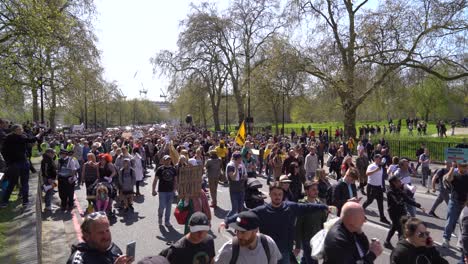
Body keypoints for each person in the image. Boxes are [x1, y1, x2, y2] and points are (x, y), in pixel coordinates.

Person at [221, 182, 332, 264]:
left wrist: (324, 206)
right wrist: (227, 221)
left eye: (280, 194)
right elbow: (244, 216)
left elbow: (308, 207)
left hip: (285, 251)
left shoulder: (291, 207)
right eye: (274, 194)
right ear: (270, 194)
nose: (277, 197)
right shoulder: (262, 211)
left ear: (283, 195)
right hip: (267, 250)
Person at [215, 211, 282, 264]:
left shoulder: (268, 243)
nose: (238, 235)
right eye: (237, 231)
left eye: (243, 232)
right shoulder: (229, 249)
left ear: (256, 230)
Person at [1, 124, 43, 207]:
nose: (21, 131)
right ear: (14, 130)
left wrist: (8, 162)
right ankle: (25, 201)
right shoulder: (20, 137)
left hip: (14, 163)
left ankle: (5, 202)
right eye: (19, 129)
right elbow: (32, 139)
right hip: (20, 163)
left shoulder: (7, 138)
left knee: (12, 183)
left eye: (21, 129)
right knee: (24, 183)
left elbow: (3, 151)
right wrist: (40, 133)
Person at [67, 211, 133, 264]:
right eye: (100, 232)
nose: (106, 236)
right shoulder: (79, 260)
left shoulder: (114, 249)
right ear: (87, 235)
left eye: (107, 230)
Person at [384, 176, 425, 250]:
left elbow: (408, 200)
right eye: (398, 181)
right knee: (401, 230)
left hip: (401, 212)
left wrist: (419, 206)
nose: (400, 182)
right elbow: (396, 201)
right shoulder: (390, 192)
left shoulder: (399, 190)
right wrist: (402, 198)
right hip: (394, 214)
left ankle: (386, 242)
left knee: (394, 227)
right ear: (394, 183)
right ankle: (401, 249)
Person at [295, 181, 328, 264]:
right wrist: (298, 245)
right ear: (306, 191)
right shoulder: (302, 205)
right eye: (313, 190)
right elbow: (297, 226)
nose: (316, 192)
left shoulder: (320, 204)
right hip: (307, 241)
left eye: (317, 189)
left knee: (305, 260)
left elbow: (324, 222)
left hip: (318, 240)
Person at [442, 162, 468, 248]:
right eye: (462, 166)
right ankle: (446, 239)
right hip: (454, 201)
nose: (464, 168)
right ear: (458, 166)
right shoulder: (455, 174)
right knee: (450, 221)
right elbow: (448, 179)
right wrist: (452, 168)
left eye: (465, 166)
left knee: (464, 224)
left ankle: (462, 243)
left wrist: (466, 202)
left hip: (465, 203)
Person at [362, 154, 390, 224]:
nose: (380, 159)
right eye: (379, 158)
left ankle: (382, 217)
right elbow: (367, 173)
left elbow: (381, 177)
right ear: (375, 159)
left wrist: (382, 186)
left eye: (381, 158)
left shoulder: (380, 167)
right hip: (371, 187)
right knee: (369, 201)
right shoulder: (371, 166)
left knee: (380, 202)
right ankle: (360, 211)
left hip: (379, 187)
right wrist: (376, 170)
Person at [152, 155, 177, 226]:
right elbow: (155, 180)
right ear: (163, 160)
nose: (168, 161)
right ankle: (160, 218)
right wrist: (153, 190)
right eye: (166, 160)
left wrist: (175, 189)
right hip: (162, 191)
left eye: (169, 160)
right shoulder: (160, 169)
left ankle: (167, 221)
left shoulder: (173, 169)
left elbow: (175, 180)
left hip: (170, 191)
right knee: (162, 206)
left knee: (169, 207)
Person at [226, 152, 247, 219]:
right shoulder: (230, 166)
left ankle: (238, 224)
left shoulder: (241, 165)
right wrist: (236, 168)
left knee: (240, 209)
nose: (241, 160)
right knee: (234, 209)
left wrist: (244, 176)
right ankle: (226, 221)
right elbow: (233, 178)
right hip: (234, 190)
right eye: (239, 159)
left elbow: (244, 175)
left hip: (241, 189)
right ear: (236, 159)